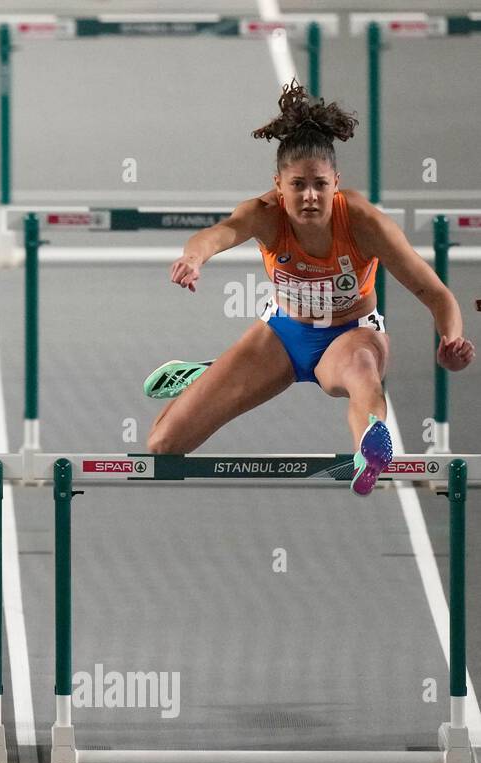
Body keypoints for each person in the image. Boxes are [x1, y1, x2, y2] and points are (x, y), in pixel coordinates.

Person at [143, 81, 474, 494]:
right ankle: (209, 376)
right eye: (297, 185)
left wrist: (452, 337)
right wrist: (193, 258)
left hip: (350, 335)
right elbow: (219, 233)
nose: (310, 196)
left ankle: (370, 452)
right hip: (281, 335)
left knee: (362, 373)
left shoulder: (364, 223)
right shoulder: (264, 215)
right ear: (278, 186)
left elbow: (436, 294)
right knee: (163, 444)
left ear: (336, 182)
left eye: (319, 183)